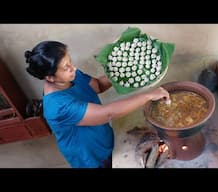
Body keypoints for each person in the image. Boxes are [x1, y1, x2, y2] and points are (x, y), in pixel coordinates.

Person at [24, 40, 170, 168]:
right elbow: (107, 114)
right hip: (90, 155)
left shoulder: (69, 76)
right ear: (49, 77)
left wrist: (127, 67)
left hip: (102, 137)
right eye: (65, 67)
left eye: (70, 62)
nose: (73, 68)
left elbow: (98, 85)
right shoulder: (57, 106)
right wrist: (149, 95)